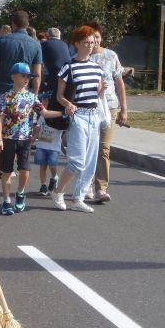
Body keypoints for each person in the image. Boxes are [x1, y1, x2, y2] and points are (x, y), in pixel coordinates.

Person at [50, 26, 108, 213]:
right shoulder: (69, 67)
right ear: (77, 44)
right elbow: (59, 95)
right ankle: (58, 191)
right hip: (78, 116)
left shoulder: (97, 68)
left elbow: (96, 97)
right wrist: (68, 104)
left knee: (90, 162)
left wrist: (101, 91)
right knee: (77, 161)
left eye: (93, 42)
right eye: (87, 43)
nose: (91, 46)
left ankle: (79, 197)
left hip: (94, 115)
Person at [0, 62, 61, 215]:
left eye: (28, 77)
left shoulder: (31, 97)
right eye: (23, 76)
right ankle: (6, 201)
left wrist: (62, 113)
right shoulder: (6, 97)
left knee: (24, 170)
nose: (26, 79)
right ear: (13, 76)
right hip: (8, 138)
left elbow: (44, 113)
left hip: (25, 139)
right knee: (6, 171)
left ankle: (20, 193)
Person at [0, 11, 43, 177]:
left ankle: (2, 166)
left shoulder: (2, 41)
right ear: (27, 24)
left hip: (3, 87)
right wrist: (34, 92)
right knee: (21, 126)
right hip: (24, 90)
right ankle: (20, 164)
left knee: (2, 125)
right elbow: (37, 72)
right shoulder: (35, 44)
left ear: (13, 24)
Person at [88, 22, 128, 203]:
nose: (94, 40)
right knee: (89, 148)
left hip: (110, 107)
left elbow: (119, 83)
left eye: (97, 36)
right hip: (87, 108)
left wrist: (123, 109)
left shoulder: (111, 56)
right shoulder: (81, 57)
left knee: (104, 148)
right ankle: (86, 185)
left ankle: (101, 188)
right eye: (91, 37)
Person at [40, 27, 71, 103]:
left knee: (46, 96)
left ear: (48, 35)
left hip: (54, 75)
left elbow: (39, 61)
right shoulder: (64, 44)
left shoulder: (44, 44)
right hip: (68, 73)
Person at [33, 115, 62, 195]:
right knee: (43, 166)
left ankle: (54, 177)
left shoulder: (59, 115)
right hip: (41, 145)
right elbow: (38, 126)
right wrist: (34, 136)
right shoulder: (43, 115)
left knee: (52, 166)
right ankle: (43, 186)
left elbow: (65, 127)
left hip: (54, 147)